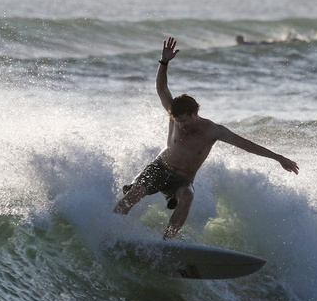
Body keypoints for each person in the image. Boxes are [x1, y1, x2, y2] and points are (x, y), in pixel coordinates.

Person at [114, 37, 299, 239]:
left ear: (195, 113)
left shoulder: (213, 130)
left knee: (188, 196)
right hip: (160, 167)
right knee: (134, 194)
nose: (182, 126)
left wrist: (278, 157)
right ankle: (111, 227)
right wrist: (164, 63)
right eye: (178, 122)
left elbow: (245, 145)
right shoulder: (174, 114)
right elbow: (161, 89)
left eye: (185, 121)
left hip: (183, 179)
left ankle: (168, 242)